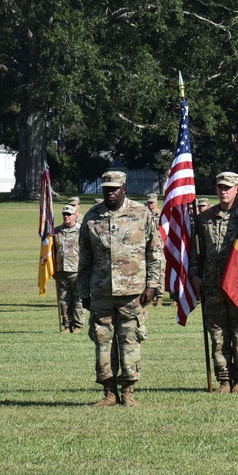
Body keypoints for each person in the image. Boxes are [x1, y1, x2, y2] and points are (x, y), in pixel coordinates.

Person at [79, 171, 161, 408]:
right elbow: (84, 258)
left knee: (130, 339)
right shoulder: (92, 217)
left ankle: (128, 392)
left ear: (124, 188)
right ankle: (109, 393)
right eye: (106, 188)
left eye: (115, 187)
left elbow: (155, 252)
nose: (110, 192)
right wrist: (83, 291)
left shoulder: (141, 214)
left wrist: (153, 285)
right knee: (102, 341)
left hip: (133, 291)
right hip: (101, 290)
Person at [190, 171, 238, 393]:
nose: (224, 191)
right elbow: (195, 251)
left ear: (237, 188)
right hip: (213, 285)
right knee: (218, 335)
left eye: (228, 187)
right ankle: (224, 379)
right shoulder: (204, 218)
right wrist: (194, 274)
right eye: (220, 187)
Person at [54, 204, 85, 333]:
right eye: (64, 214)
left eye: (69, 214)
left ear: (75, 216)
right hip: (61, 270)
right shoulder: (56, 231)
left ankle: (78, 325)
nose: (66, 216)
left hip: (77, 270)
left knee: (78, 299)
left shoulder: (81, 231)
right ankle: (67, 324)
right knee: (64, 299)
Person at [145, 193, 164, 307]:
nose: (150, 205)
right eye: (148, 203)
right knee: (147, 271)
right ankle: (149, 299)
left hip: (159, 247)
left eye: (152, 203)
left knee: (160, 272)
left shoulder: (162, 215)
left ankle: (160, 298)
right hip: (147, 247)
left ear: (156, 202)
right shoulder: (144, 215)